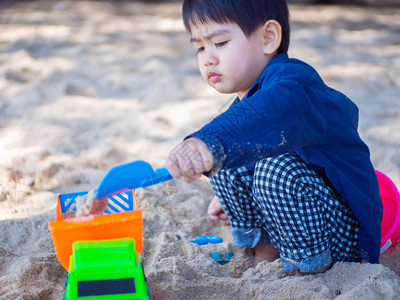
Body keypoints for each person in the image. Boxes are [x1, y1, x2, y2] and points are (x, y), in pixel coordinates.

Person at [166, 0, 382, 275]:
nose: (208, 57)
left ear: (268, 38)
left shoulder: (295, 83)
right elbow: (243, 132)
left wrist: (205, 145)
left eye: (219, 42)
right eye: (200, 47)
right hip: (300, 220)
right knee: (227, 158)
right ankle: (264, 249)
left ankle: (307, 269)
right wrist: (231, 191)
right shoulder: (247, 102)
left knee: (261, 161)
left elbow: (268, 114)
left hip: (343, 235)